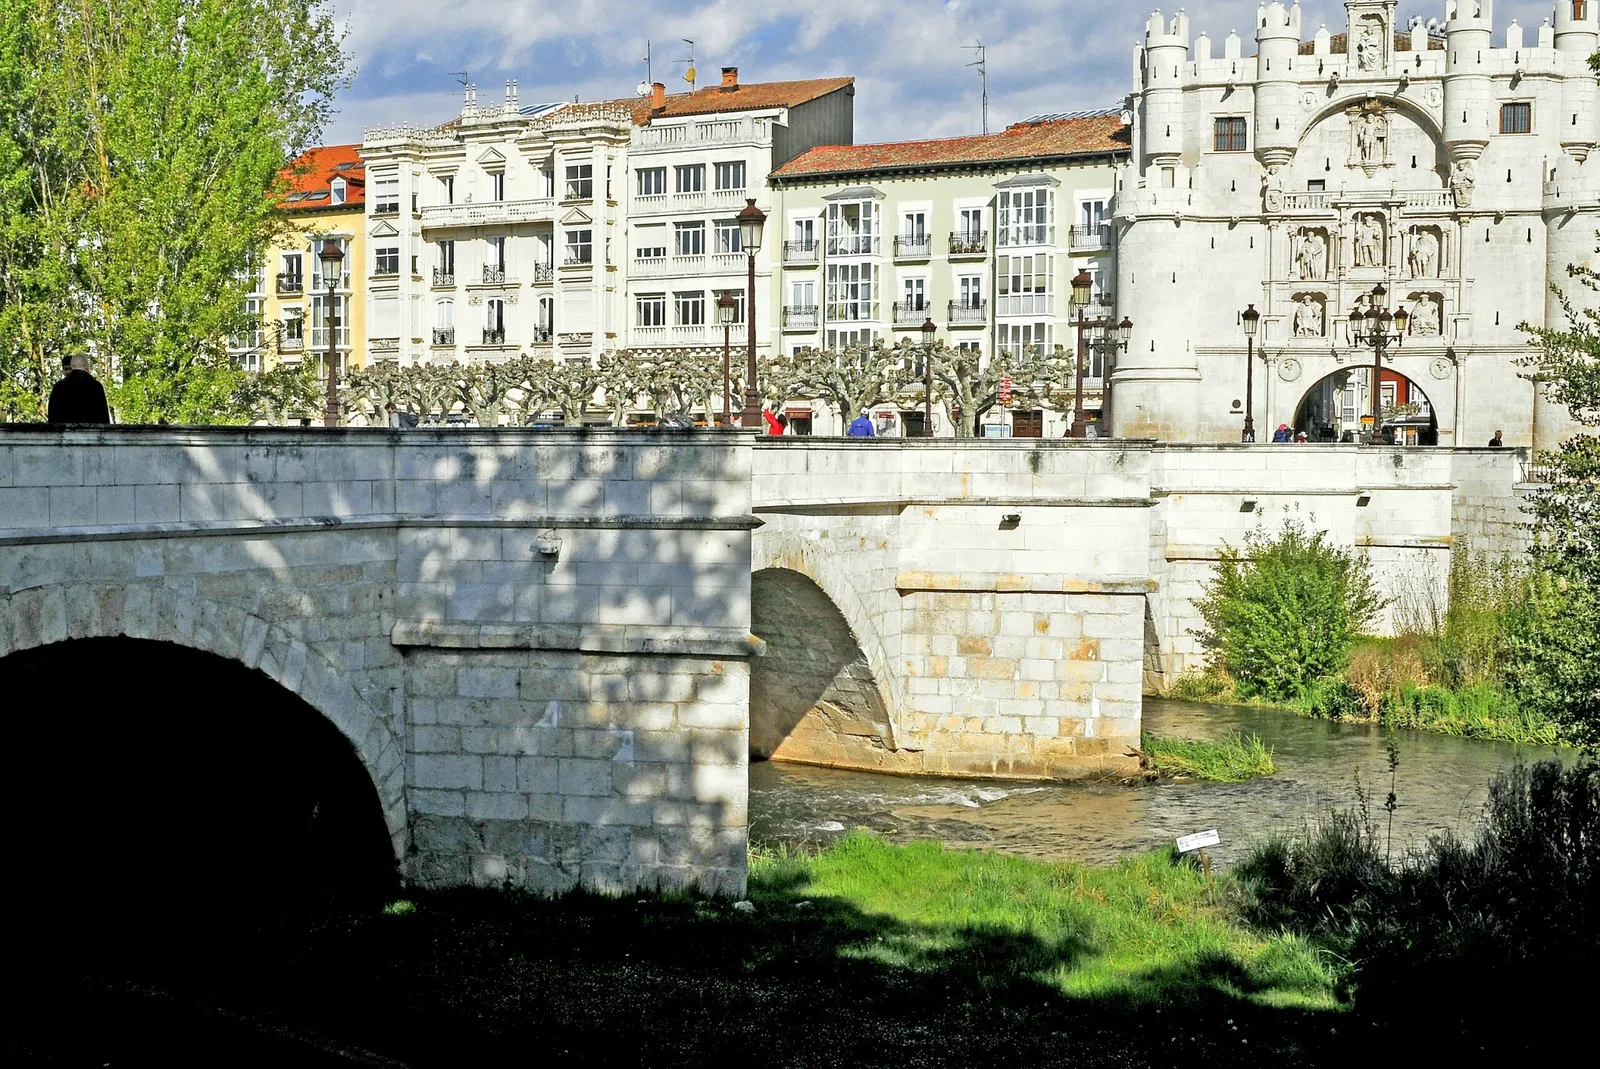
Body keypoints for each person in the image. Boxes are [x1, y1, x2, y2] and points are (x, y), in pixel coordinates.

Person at [47, 353, 111, 424]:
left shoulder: (59, 387)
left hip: (65, 434)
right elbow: (104, 419)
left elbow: (52, 419)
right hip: (92, 434)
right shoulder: (96, 387)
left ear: (72, 367)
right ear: (87, 367)